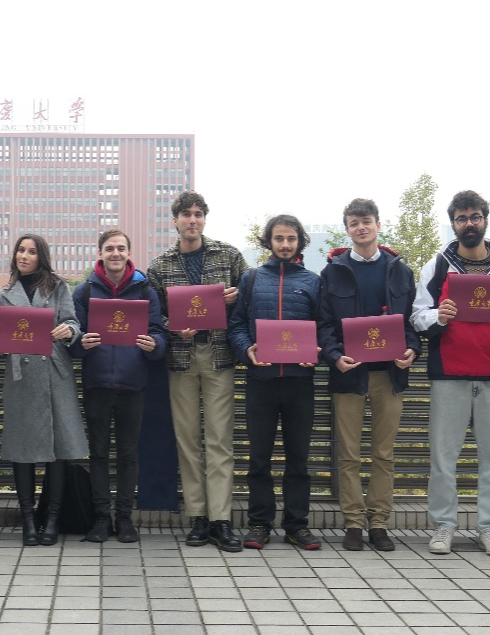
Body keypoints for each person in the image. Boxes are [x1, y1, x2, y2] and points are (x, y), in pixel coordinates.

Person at [412, 190, 490, 557]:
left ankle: (489, 527)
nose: (469, 223)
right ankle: (444, 526)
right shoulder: (438, 265)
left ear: (485, 220)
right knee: (443, 457)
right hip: (449, 374)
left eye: (475, 216)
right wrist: (438, 315)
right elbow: (417, 315)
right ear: (453, 224)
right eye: (462, 218)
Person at [146, 190, 249, 553]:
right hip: (181, 359)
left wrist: (237, 297)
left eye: (198, 214)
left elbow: (248, 304)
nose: (192, 220)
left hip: (219, 356)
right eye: (186, 214)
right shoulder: (160, 266)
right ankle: (198, 517)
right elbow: (153, 316)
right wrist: (172, 325)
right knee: (187, 440)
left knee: (219, 439)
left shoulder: (229, 256)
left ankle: (221, 519)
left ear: (205, 218)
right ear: (175, 220)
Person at [316, 198, 420, 552]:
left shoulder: (399, 271)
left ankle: (379, 523)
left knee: (384, 454)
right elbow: (324, 324)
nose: (361, 227)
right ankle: (353, 523)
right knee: (348, 455)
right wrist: (334, 356)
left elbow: (411, 322)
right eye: (353, 223)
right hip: (349, 375)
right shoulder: (333, 272)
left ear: (378, 224)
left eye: (366, 221)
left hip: (390, 375)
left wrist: (412, 350)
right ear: (347, 229)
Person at [228, 215, 323, 551]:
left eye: (291, 239)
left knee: (298, 459)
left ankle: (297, 525)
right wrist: (247, 350)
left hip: (300, 382)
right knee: (259, 458)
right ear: (268, 241)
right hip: (261, 380)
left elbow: (324, 328)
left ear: (300, 242)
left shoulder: (313, 281)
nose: (285, 244)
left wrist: (317, 352)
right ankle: (259, 523)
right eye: (279, 238)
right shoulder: (251, 279)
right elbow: (237, 325)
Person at [0, 233, 87, 546]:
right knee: (22, 449)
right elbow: (1, 340)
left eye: (31, 252)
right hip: (21, 377)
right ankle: (29, 520)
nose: (24, 256)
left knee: (59, 450)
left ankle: (52, 520)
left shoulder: (58, 287)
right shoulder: (4, 294)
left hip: (54, 373)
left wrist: (68, 329)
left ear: (41, 257)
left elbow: (74, 323)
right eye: (20, 250)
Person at [71, 228, 167, 543]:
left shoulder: (145, 290)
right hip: (97, 384)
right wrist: (80, 343)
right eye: (110, 248)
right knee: (98, 454)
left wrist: (155, 344)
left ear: (129, 253)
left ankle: (124, 518)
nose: (116, 253)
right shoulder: (85, 291)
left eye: (121, 248)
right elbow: (72, 337)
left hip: (133, 384)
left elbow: (158, 331)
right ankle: (101, 518)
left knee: (128, 455)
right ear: (100, 253)